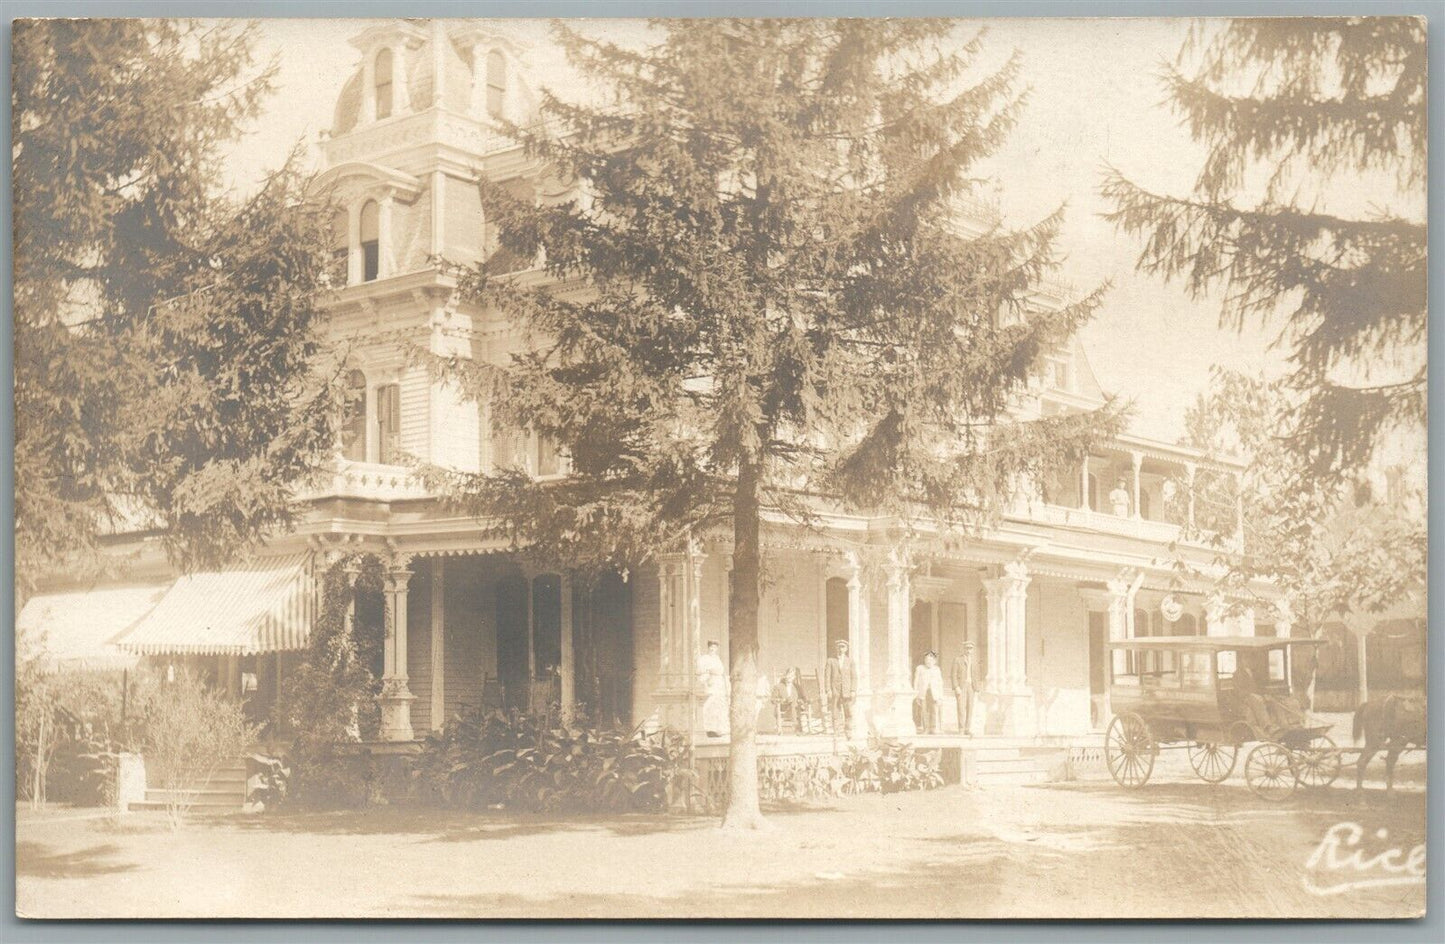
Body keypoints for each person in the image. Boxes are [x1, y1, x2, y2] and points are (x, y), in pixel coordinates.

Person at [823, 639, 859, 736]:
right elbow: (827, 677)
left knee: (848, 712)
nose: (840, 648)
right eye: (839, 647)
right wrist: (828, 690)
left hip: (847, 691)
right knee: (835, 711)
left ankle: (848, 731)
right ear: (836, 648)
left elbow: (854, 677)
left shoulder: (850, 661)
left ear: (846, 649)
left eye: (843, 647)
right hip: (835, 691)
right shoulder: (830, 661)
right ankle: (837, 731)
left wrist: (853, 690)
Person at [696, 640, 729, 738]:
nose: (712, 649)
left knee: (718, 707)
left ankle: (718, 729)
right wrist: (708, 675)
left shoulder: (717, 659)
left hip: (718, 685)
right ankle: (708, 729)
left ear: (717, 649)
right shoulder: (704, 658)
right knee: (708, 706)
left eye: (714, 647)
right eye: (711, 647)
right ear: (708, 648)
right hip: (709, 684)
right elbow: (700, 671)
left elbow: (721, 672)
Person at [950, 641, 978, 736]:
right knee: (961, 708)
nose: (968, 650)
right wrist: (956, 687)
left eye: (970, 648)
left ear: (973, 650)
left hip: (971, 686)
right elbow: (953, 674)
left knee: (970, 708)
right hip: (961, 686)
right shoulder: (958, 660)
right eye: (967, 648)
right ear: (964, 649)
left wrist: (976, 688)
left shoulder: (974, 661)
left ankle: (967, 728)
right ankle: (961, 729)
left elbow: (976, 675)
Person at [913, 650, 944, 734]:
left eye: (930, 660)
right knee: (924, 710)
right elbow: (916, 681)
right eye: (926, 660)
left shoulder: (937, 669)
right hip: (923, 692)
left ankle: (933, 728)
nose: (928, 662)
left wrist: (940, 696)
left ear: (934, 661)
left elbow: (940, 683)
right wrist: (916, 695)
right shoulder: (920, 668)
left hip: (934, 693)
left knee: (934, 710)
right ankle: (926, 728)